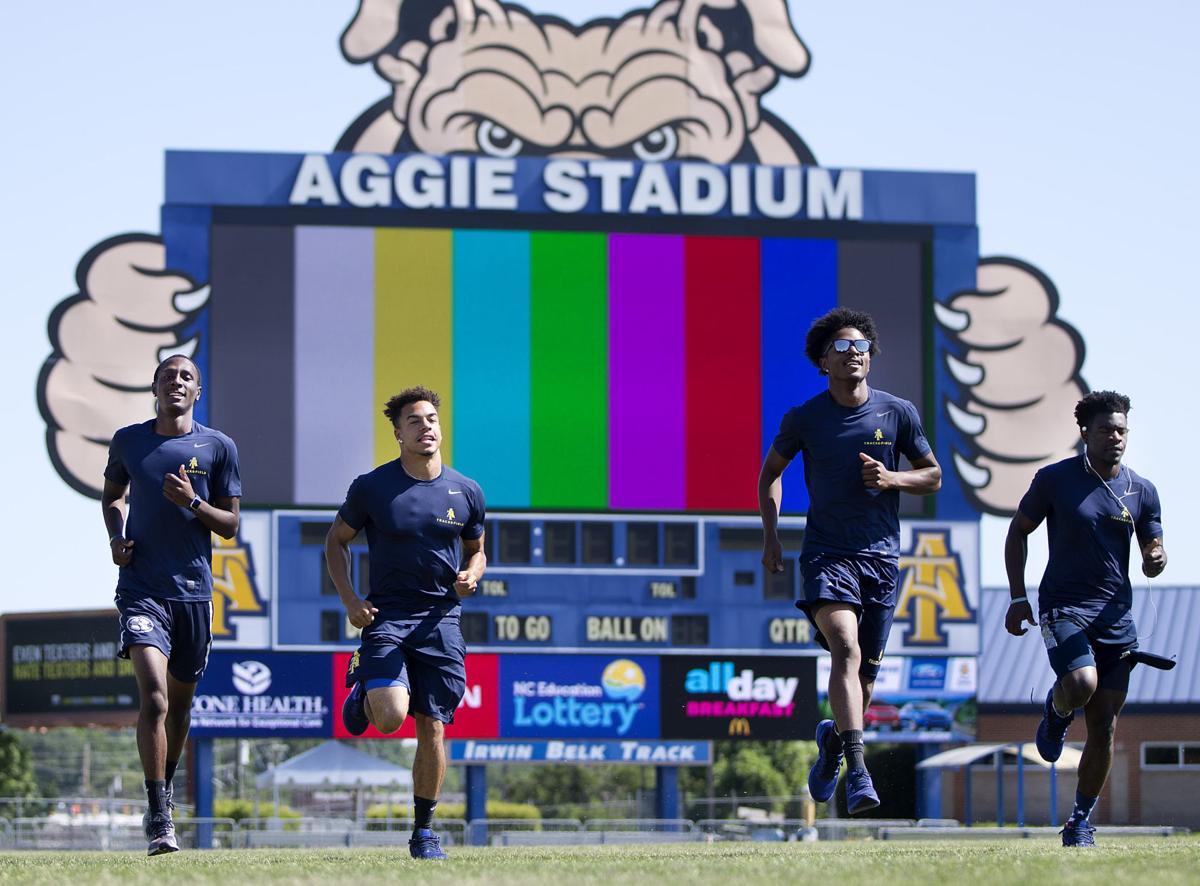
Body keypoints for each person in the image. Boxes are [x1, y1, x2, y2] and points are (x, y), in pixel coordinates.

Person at [758, 307, 941, 815]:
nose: (854, 352)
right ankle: (858, 771)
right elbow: (770, 473)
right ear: (823, 361)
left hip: (882, 559)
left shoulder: (897, 412)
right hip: (826, 554)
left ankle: (833, 743)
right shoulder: (805, 418)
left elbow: (933, 475)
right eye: (841, 347)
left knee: (864, 681)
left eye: (861, 345)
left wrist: (893, 479)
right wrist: (771, 535)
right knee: (844, 647)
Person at [326, 386, 486, 860]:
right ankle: (365, 695)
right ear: (398, 433)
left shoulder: (467, 490)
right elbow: (336, 541)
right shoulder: (372, 486)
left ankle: (424, 833)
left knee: (433, 727)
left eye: (432, 418)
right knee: (393, 715)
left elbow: (477, 550)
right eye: (415, 421)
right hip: (387, 617)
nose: (426, 427)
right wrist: (350, 598)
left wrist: (472, 574)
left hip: (442, 620)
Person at [1005, 390, 1165, 847]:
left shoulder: (1142, 489)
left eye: (1121, 430)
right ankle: (1055, 713)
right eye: (1105, 430)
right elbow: (1017, 532)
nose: (1114, 437)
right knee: (1080, 684)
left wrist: (1156, 556)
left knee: (1105, 726)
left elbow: (1153, 543)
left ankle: (1079, 822)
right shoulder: (1055, 480)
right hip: (1064, 607)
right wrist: (1018, 598)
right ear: (1084, 434)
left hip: (1117, 619)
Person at [101, 354, 241, 856]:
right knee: (155, 699)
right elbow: (113, 496)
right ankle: (159, 815)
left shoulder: (218, 446)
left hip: (194, 595)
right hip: (142, 589)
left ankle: (166, 784)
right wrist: (116, 537)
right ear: (154, 388)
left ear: (196, 392)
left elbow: (230, 526)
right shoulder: (129, 441)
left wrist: (192, 502)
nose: (176, 382)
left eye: (186, 377)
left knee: (179, 709)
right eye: (168, 376)